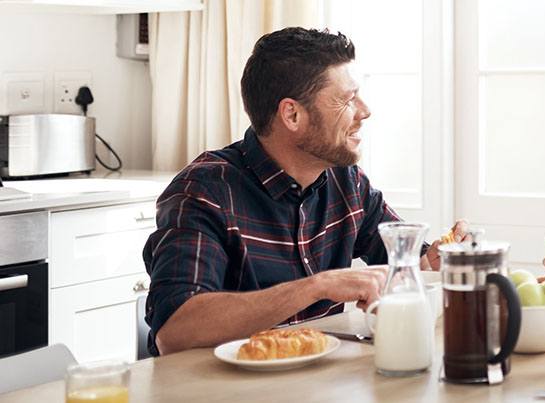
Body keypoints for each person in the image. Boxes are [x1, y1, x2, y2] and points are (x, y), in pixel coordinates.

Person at [143, 27, 464, 356]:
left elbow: (406, 265)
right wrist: (316, 286)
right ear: (292, 114)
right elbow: (175, 331)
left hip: (314, 384)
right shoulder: (205, 190)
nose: (364, 111)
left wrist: (433, 261)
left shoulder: (347, 182)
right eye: (347, 99)